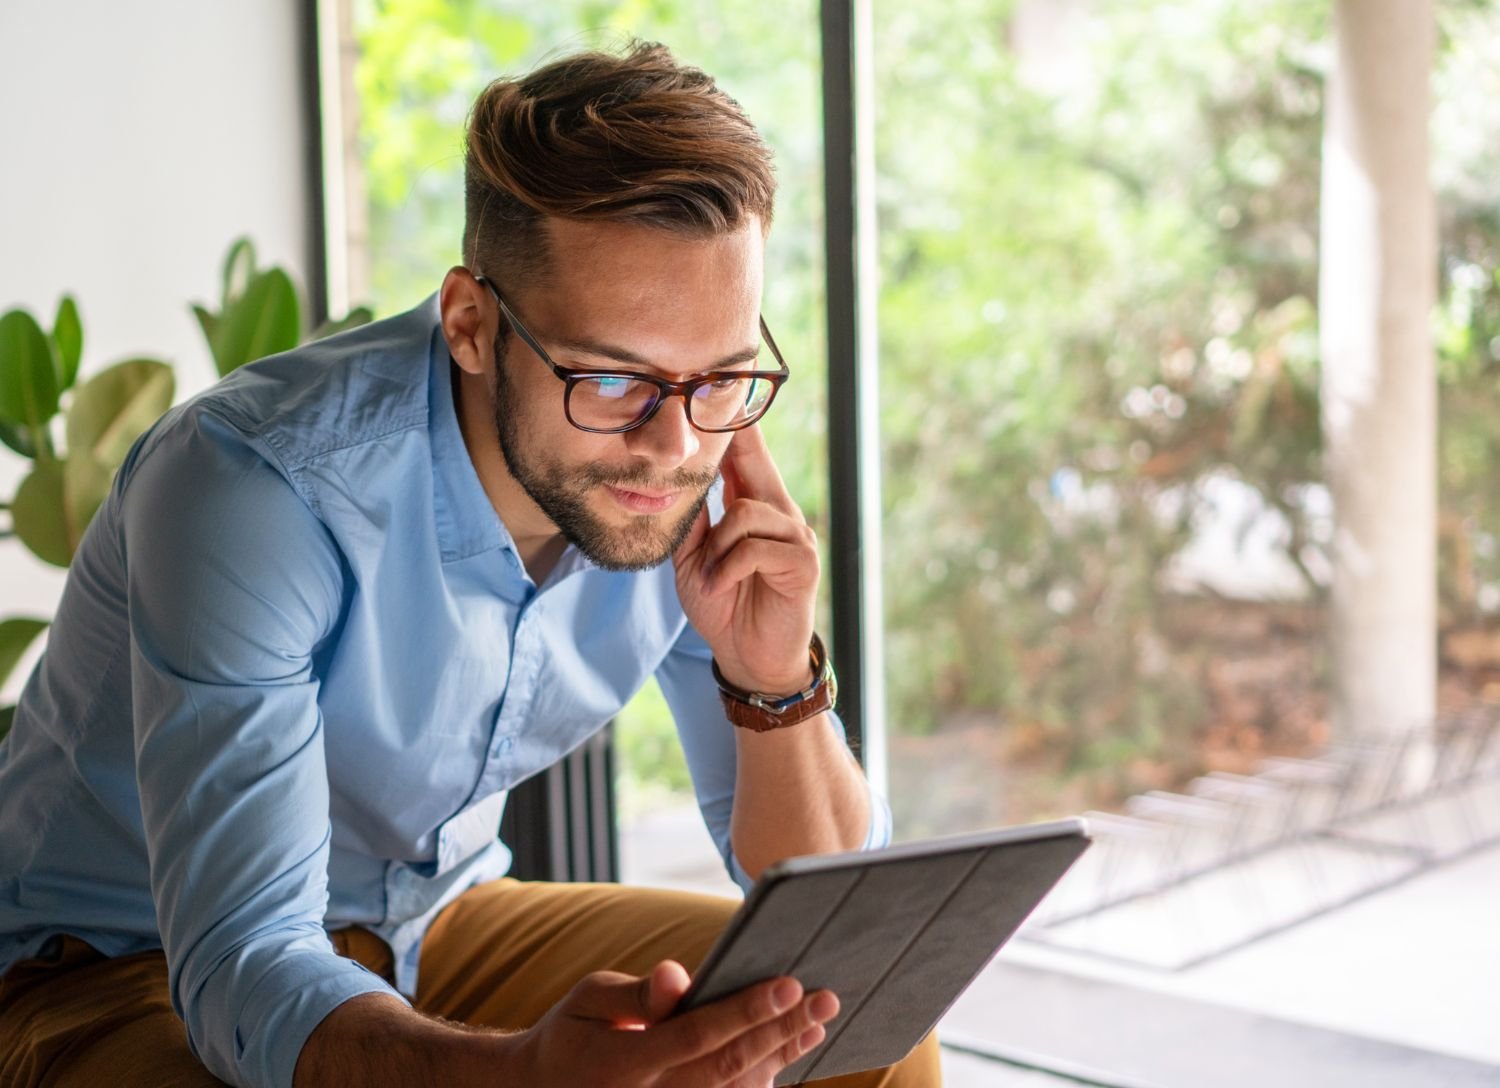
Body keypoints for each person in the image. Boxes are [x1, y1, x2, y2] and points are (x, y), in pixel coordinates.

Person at [0, 41, 941, 1088]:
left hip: (429, 924)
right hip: (116, 962)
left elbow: (835, 910)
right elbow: (246, 964)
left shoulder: (689, 462)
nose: (676, 445)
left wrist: (773, 681)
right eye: (612, 378)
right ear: (471, 322)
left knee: (854, 1033)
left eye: (720, 375)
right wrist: (522, 1072)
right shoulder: (254, 490)